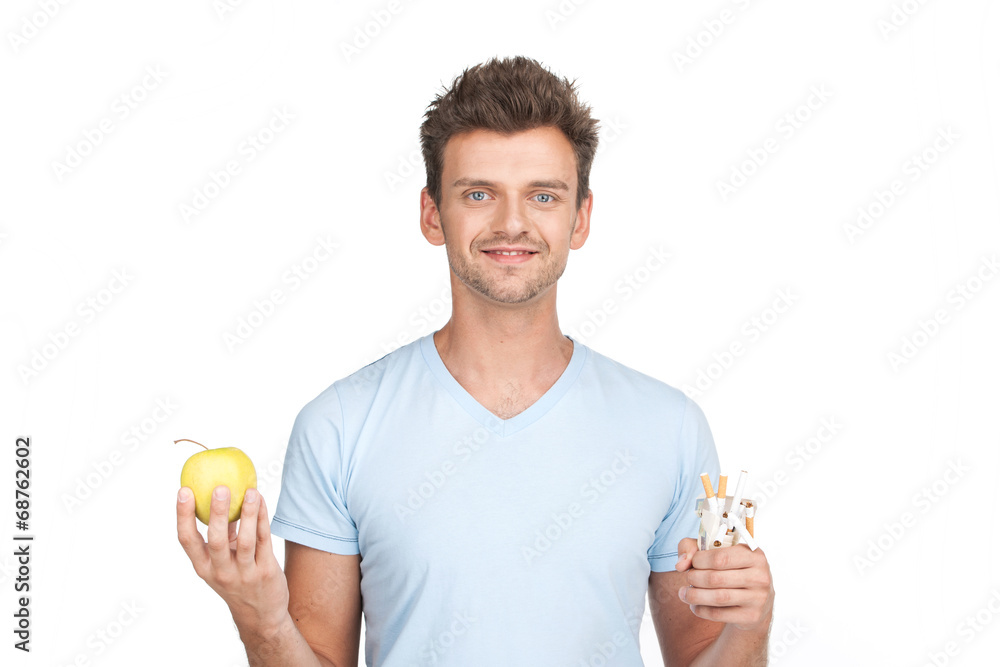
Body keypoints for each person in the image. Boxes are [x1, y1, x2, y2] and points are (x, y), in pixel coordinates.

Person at [177, 55, 774, 666]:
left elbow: (709, 655)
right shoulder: (339, 426)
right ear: (433, 214)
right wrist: (263, 621)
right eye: (479, 193)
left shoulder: (669, 428)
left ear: (581, 218)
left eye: (543, 195)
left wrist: (751, 627)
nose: (511, 223)